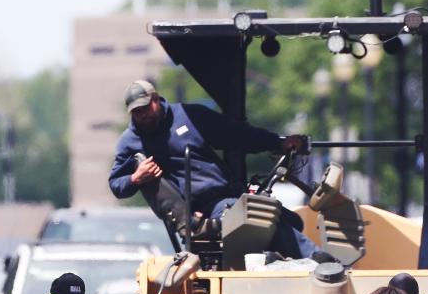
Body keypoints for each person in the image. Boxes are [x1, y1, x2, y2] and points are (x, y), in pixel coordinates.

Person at [108, 79, 322, 260]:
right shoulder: (131, 142)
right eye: (136, 112)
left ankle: (294, 267)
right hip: (205, 209)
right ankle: (319, 262)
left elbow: (237, 135)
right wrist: (135, 178)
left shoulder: (189, 116)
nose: (143, 115)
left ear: (156, 99)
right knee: (258, 217)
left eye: (145, 108)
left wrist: (277, 143)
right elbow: (117, 184)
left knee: (291, 220)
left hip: (229, 195)